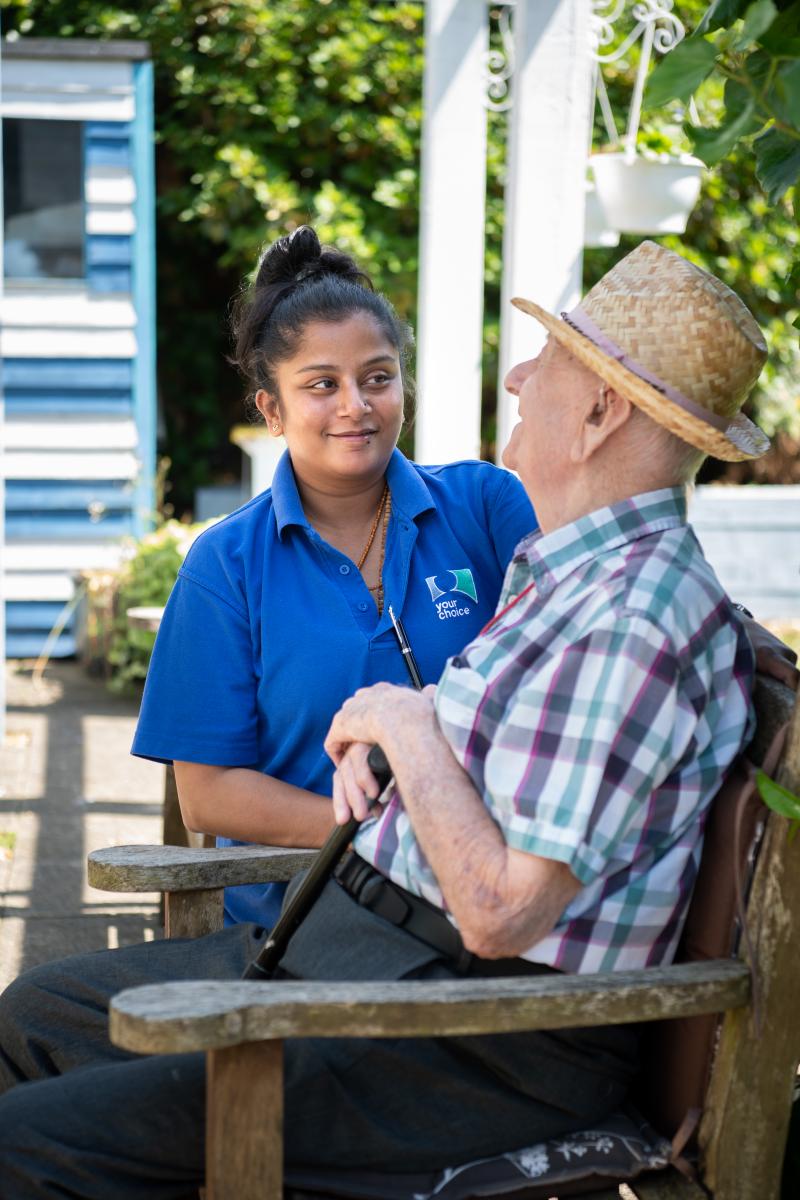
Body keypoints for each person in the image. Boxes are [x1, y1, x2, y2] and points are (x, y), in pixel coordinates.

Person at [0, 241, 796, 1200]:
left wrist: (405, 726)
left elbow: (503, 911)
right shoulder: (569, 578)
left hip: (457, 1024)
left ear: (599, 413)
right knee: (36, 1017)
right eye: (321, 383)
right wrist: (408, 730)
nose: (516, 376)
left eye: (548, 363)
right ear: (273, 404)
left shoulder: (629, 613)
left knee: (29, 1143)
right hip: (370, 949)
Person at [131, 225, 535, 928]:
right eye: (322, 385)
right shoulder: (225, 563)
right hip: (299, 913)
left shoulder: (487, 506)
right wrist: (389, 839)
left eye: (378, 377)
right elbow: (209, 795)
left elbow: (557, 669)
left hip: (486, 898)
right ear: (271, 409)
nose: (356, 405)